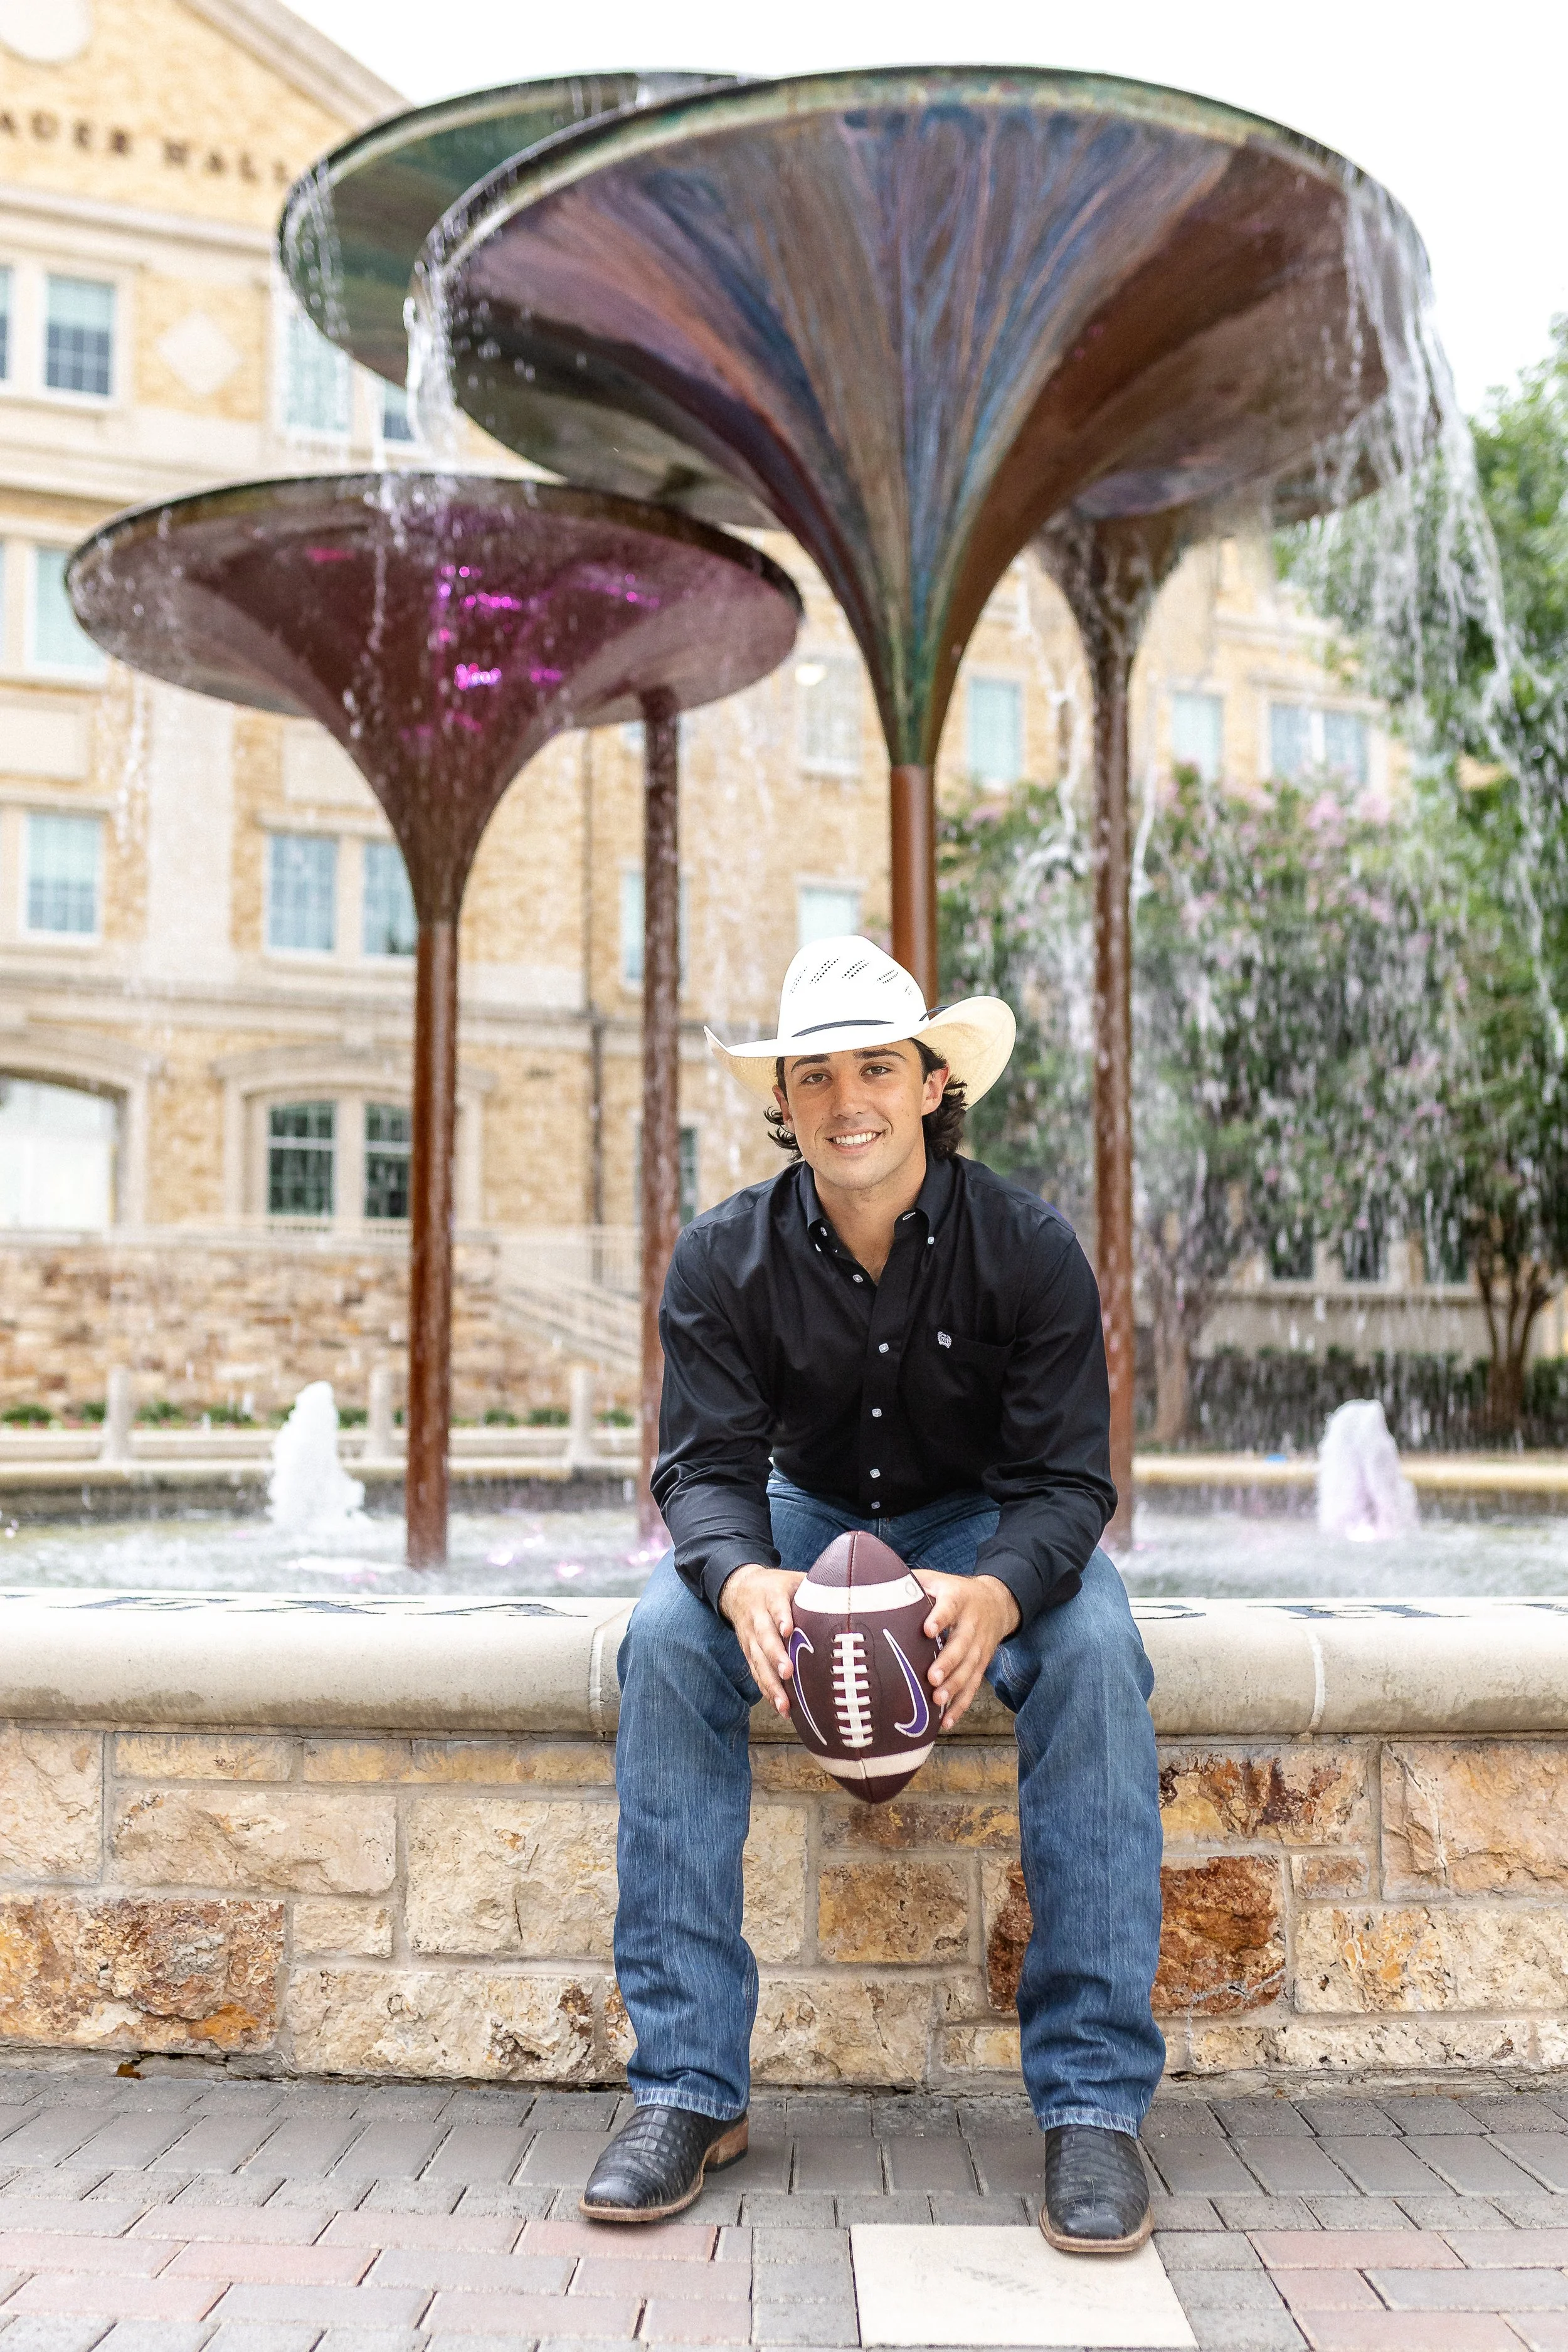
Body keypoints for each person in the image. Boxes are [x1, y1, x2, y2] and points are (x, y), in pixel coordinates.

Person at [582, 937, 1163, 2251]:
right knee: (667, 1639)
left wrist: (1002, 1597)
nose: (848, 1099)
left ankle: (1091, 2109)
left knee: (1097, 1656)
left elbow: (1071, 1485)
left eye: (877, 1068)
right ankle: (687, 2088)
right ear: (783, 1100)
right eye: (817, 1074)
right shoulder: (721, 1258)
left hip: (987, 1519)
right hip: (807, 1513)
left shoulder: (1028, 1249)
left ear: (927, 1084)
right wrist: (737, 1585)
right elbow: (706, 1468)